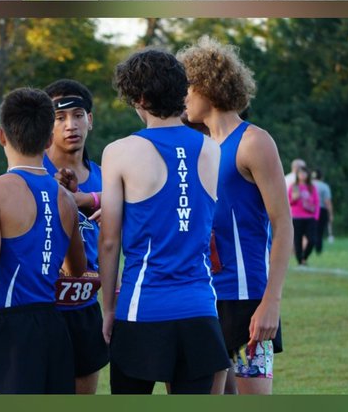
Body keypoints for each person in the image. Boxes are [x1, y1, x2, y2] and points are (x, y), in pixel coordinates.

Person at [98, 48, 227, 394]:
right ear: (181, 91)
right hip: (200, 310)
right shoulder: (211, 148)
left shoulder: (119, 151)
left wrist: (108, 308)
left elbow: (108, 241)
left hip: (142, 309)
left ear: (138, 97)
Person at [0, 86, 87, 395]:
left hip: (7, 331)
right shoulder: (66, 198)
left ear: (1, 135)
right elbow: (77, 269)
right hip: (53, 331)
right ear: (49, 138)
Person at [179, 36, 291, 394]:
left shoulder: (253, 142)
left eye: (187, 88)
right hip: (204, 297)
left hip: (247, 301)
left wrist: (271, 301)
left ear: (208, 87)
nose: (183, 98)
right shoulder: (200, 148)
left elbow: (283, 223)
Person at [43, 78, 109, 394]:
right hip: (42, 312)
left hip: (86, 312)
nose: (71, 125)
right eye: (59, 118)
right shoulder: (31, 171)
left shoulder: (106, 176)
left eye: (79, 115)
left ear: (90, 120)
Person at [287, 164, 320, 265]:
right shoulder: (294, 186)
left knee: (312, 240)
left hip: (310, 217)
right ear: (297, 175)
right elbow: (289, 202)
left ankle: (304, 256)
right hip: (297, 217)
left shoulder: (311, 187)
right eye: (300, 173)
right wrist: (294, 198)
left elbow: (317, 202)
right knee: (297, 240)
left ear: (307, 174)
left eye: (304, 173)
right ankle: (300, 261)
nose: (302, 175)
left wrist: (316, 216)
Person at [310, 168, 333, 253]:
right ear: (321, 177)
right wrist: (330, 214)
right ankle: (318, 249)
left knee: (312, 230)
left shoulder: (309, 185)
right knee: (320, 231)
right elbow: (327, 201)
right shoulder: (324, 186)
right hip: (322, 210)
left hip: (310, 210)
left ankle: (310, 247)